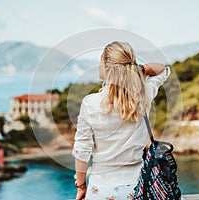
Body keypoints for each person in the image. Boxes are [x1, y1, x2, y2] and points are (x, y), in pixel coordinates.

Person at [72, 41, 170, 200]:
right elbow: (162, 70)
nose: (98, 65)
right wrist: (137, 69)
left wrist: (81, 186)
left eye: (100, 61)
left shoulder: (90, 103)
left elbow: (82, 150)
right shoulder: (143, 96)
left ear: (107, 67)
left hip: (101, 190)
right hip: (138, 187)